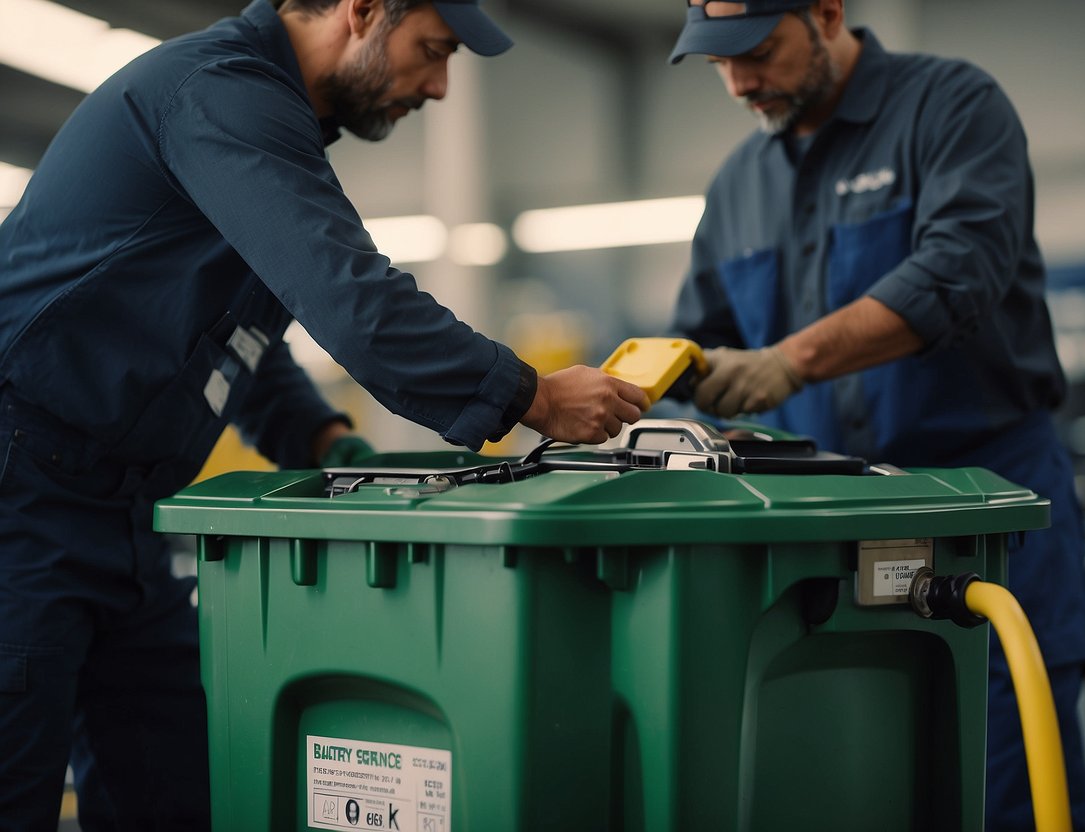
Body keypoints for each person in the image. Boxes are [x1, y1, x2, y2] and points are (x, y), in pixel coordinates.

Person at [0, 0, 647, 827]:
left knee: (172, 789)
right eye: (434, 49)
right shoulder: (219, 90)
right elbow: (353, 301)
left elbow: (235, 339)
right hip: (19, 490)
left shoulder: (264, 120)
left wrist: (324, 441)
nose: (442, 86)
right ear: (364, 10)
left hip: (120, 515)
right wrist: (536, 396)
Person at [666, 1, 1085, 829]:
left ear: (825, 12)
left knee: (1007, 780)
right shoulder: (736, 186)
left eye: (754, 51)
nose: (735, 82)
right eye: (715, 63)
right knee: (851, 781)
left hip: (985, 514)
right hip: (827, 542)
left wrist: (790, 361)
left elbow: (955, 272)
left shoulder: (953, 110)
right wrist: (659, 379)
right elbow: (704, 337)